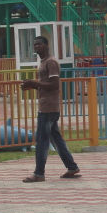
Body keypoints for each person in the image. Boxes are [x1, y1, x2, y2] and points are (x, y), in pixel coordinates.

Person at [21, 35, 80, 182]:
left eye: (39, 45)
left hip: (48, 108)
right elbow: (45, 84)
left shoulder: (51, 62)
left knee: (42, 140)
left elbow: (54, 85)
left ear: (47, 46)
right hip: (46, 106)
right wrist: (33, 86)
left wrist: (35, 84)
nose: (36, 47)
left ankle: (39, 173)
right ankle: (72, 167)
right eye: (35, 45)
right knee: (56, 139)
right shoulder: (43, 62)